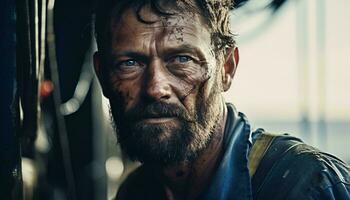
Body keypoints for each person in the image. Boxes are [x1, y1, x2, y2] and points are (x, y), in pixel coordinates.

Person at [93, 0, 350, 199]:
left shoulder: (309, 187)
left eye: (182, 59)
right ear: (103, 76)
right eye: (129, 63)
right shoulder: (136, 192)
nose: (155, 87)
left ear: (226, 68)